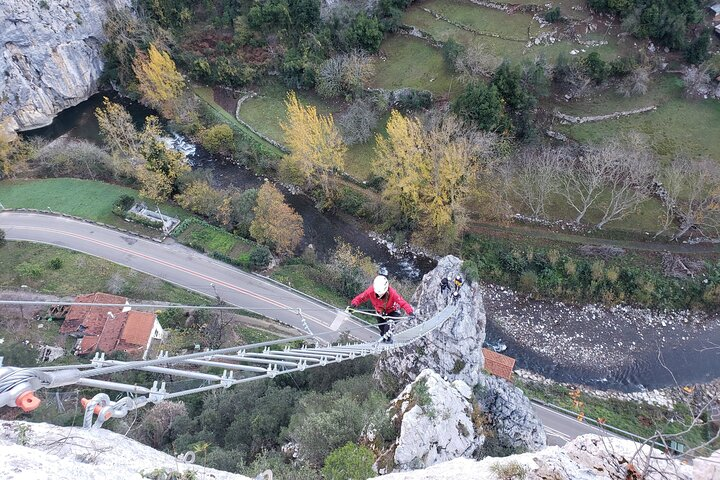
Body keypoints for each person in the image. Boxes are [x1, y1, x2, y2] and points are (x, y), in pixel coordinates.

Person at [350, 275, 414, 343]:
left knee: (388, 326)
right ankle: (384, 338)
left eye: (381, 295)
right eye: (377, 294)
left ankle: (388, 341)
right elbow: (361, 297)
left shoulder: (392, 293)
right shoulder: (371, 291)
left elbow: (402, 303)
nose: (379, 297)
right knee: (382, 328)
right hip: (380, 313)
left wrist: (410, 312)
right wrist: (354, 304)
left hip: (392, 312)